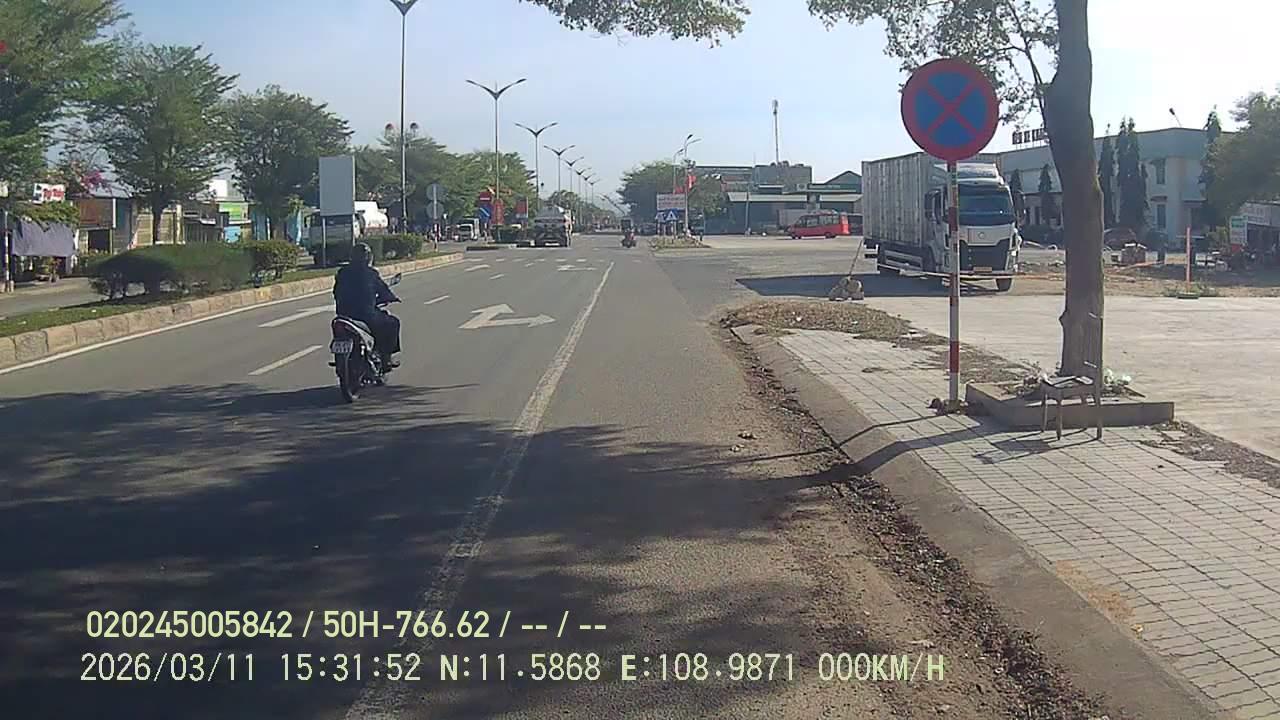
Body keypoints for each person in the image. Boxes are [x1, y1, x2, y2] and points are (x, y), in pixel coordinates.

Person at [333, 243, 402, 367]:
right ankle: (386, 358)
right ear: (367, 258)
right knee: (392, 323)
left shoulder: (342, 273)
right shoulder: (371, 273)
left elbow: (336, 292)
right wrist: (391, 297)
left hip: (343, 315)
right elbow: (383, 291)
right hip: (365, 315)